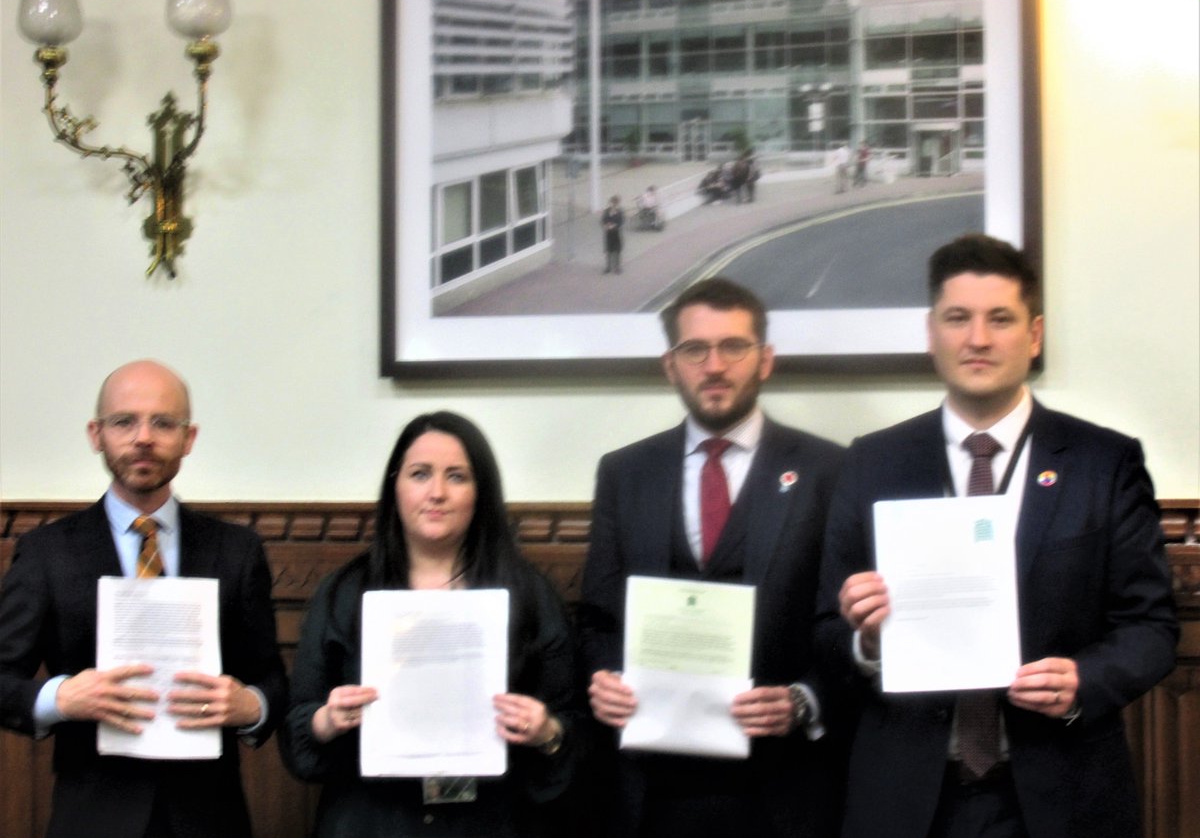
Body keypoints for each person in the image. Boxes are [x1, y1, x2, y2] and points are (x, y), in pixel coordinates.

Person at [816, 234, 1178, 838]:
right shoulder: (872, 463)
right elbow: (825, 630)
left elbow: (1152, 627)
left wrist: (1084, 679)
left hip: (1063, 796)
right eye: (958, 318)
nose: (978, 338)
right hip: (905, 801)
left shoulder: (1103, 461)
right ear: (931, 333)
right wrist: (867, 642)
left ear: (1034, 335)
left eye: (1000, 319)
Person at [578, 278, 846, 838]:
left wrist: (804, 700)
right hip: (650, 790)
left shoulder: (828, 471)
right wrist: (602, 679)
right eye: (695, 349)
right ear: (670, 366)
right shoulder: (624, 473)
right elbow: (598, 619)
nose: (715, 365)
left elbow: (842, 626)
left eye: (734, 347)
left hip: (782, 786)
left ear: (765, 360)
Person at [0, 360, 286, 838]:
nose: (144, 438)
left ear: (189, 438)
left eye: (163, 423)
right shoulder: (46, 553)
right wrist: (60, 697)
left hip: (210, 818)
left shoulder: (237, 550)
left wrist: (251, 706)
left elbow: (272, 679)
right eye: (124, 422)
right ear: (96, 434)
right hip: (92, 818)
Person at [280, 411, 584, 837]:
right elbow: (297, 731)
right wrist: (327, 720)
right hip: (372, 821)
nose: (437, 492)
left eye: (456, 476)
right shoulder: (345, 592)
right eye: (420, 474)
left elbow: (573, 729)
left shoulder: (529, 594)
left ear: (481, 491)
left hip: (491, 820)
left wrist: (546, 731)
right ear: (395, 486)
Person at [601, 195, 624, 274]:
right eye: (612, 203)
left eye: (615, 203)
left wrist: (614, 226)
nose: (613, 205)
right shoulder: (607, 211)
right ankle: (608, 267)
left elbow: (621, 222)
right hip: (608, 234)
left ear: (617, 204)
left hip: (616, 234)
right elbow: (603, 220)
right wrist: (605, 225)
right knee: (608, 251)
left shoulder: (619, 212)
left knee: (617, 251)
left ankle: (617, 267)